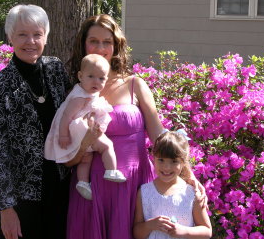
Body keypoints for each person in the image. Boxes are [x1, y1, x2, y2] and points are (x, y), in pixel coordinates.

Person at [66, 14, 206, 239]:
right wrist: (83, 145)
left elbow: (160, 138)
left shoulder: (135, 85)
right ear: (83, 43)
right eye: (93, 41)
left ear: (116, 46)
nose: (100, 48)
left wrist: (190, 176)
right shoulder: (76, 91)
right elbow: (65, 145)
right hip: (91, 186)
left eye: (107, 42)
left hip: (134, 185)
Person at [0, 4, 73, 239]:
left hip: (61, 191)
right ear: (11, 37)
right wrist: (6, 208)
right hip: (21, 201)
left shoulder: (56, 70)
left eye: (37, 34)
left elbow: (77, 110)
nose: (30, 41)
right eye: (22, 34)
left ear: (46, 37)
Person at [44, 53, 126, 201]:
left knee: (85, 158)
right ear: (80, 76)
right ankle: (111, 170)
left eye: (101, 78)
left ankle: (82, 182)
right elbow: (65, 117)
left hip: (79, 133)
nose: (96, 81)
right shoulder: (80, 97)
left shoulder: (84, 91)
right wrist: (63, 135)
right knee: (107, 146)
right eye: (91, 77)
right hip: (80, 130)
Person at [133, 131, 212, 239]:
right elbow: (137, 233)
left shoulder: (192, 193)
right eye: (161, 160)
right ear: (153, 158)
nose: (166, 167)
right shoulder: (144, 192)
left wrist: (184, 231)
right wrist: (150, 225)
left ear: (183, 162)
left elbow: (207, 231)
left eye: (174, 161)